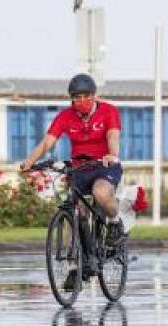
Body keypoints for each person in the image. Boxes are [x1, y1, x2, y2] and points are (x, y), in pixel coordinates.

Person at [21, 73, 123, 286]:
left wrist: (111, 154)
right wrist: (29, 161)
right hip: (80, 167)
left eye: (86, 97)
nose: (82, 102)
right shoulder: (66, 116)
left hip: (105, 165)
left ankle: (115, 222)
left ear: (94, 96)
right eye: (77, 98)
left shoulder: (108, 111)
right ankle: (76, 266)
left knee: (100, 193)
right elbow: (47, 143)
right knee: (74, 212)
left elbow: (113, 136)